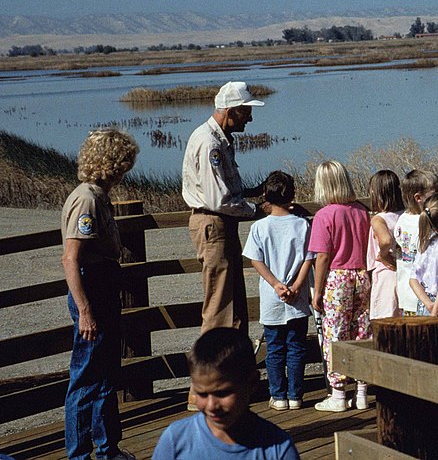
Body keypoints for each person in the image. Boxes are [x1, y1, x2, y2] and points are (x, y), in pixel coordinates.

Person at [182, 81, 267, 409]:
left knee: (230, 306)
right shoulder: (210, 143)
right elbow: (218, 198)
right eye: (246, 111)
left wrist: (250, 193)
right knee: (220, 309)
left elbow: (223, 190)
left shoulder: (216, 139)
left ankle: (228, 384)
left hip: (218, 225)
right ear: (231, 111)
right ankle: (202, 391)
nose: (249, 119)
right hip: (214, 224)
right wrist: (256, 210)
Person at [61, 128, 139, 460]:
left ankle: (108, 449)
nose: (126, 170)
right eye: (123, 163)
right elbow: (71, 258)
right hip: (91, 287)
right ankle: (78, 454)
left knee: (107, 373)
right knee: (86, 378)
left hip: (104, 283)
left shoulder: (98, 195)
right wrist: (85, 311)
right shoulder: (87, 198)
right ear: (112, 163)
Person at [152, 328, 300, 460]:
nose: (211, 405)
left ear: (252, 383)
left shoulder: (278, 449)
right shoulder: (175, 440)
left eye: (222, 393)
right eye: (202, 394)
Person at [241, 171, 313, 411]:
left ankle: (278, 395)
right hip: (298, 296)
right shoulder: (302, 225)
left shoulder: (260, 227)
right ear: (292, 195)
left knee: (274, 348)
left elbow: (255, 260)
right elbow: (308, 259)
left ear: (266, 197)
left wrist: (275, 284)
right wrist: (296, 286)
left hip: (272, 297)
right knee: (296, 347)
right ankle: (295, 395)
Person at [308, 161, 372, 412]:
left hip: (338, 277)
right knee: (362, 331)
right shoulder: (360, 211)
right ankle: (362, 390)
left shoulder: (324, 215)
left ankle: (337, 393)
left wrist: (319, 289)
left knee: (335, 335)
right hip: (363, 275)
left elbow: (322, 256)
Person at [394, 169, 438, 315]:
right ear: (418, 198)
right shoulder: (426, 223)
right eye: (434, 194)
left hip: (406, 293)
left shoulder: (401, 220)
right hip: (426, 295)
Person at [366, 170, 404, 319]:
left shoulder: (379, 219)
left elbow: (386, 240)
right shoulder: (405, 214)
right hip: (404, 270)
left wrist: (382, 255)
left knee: (385, 319)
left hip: (385, 273)